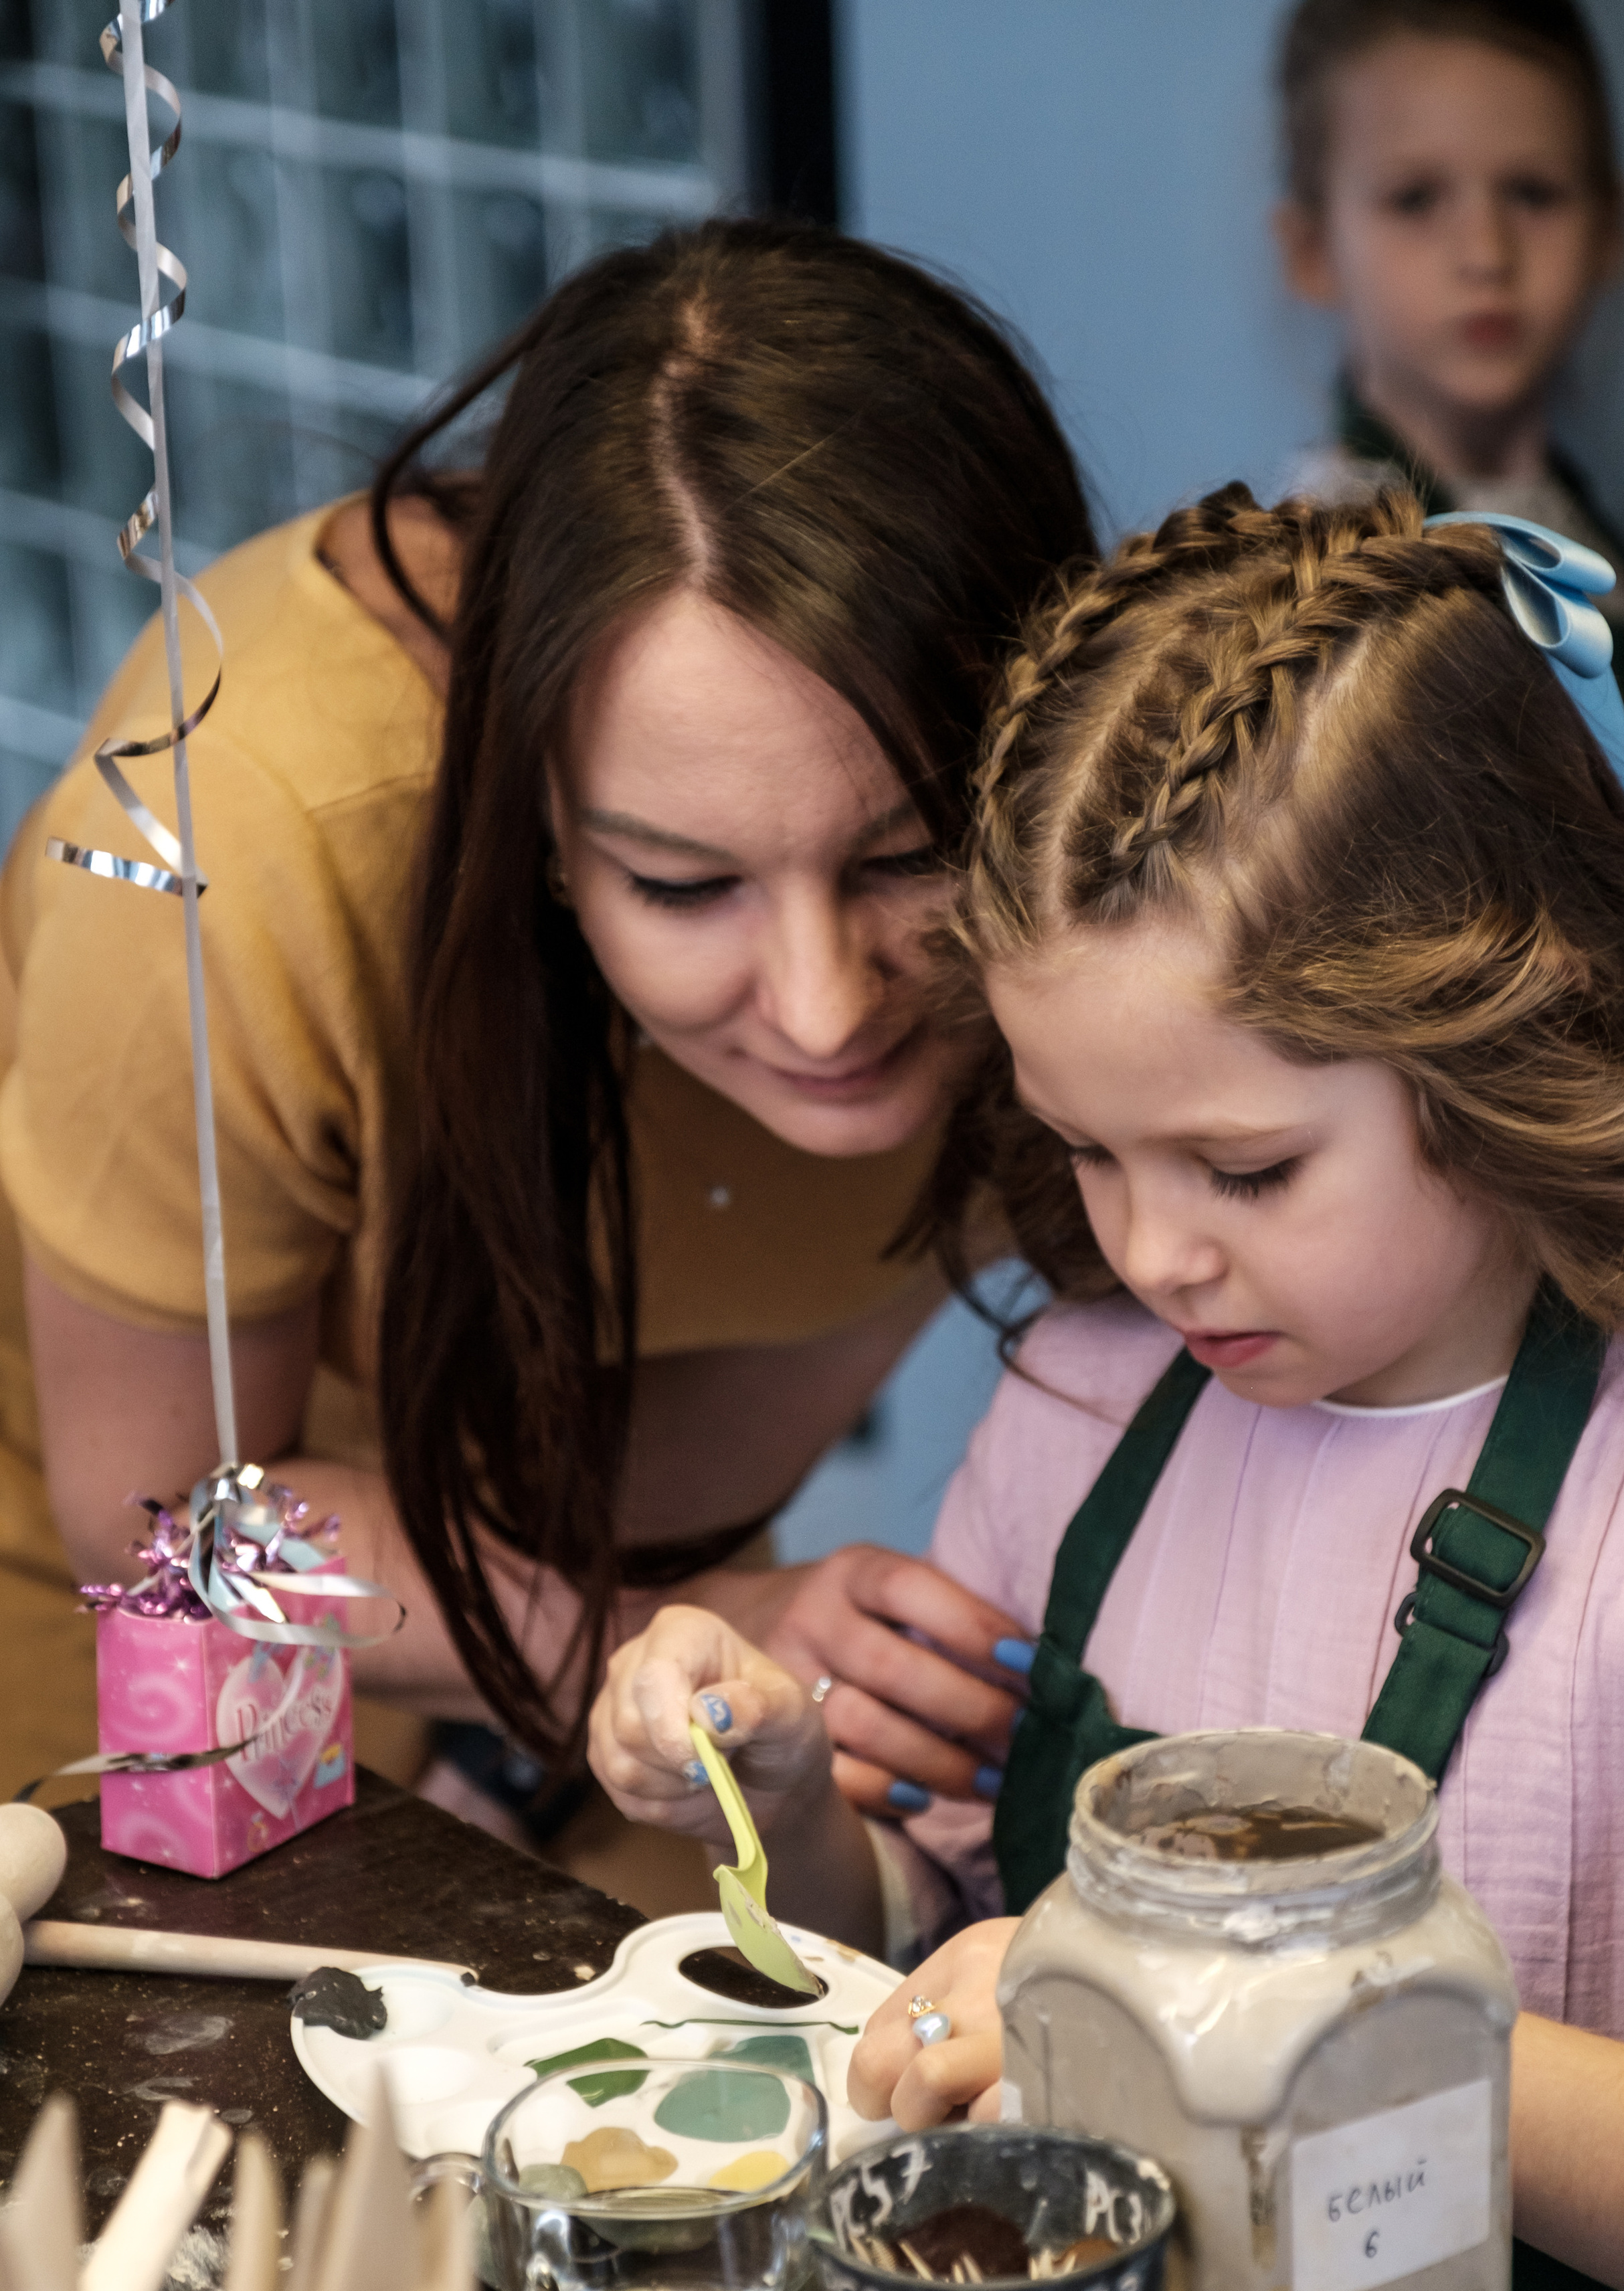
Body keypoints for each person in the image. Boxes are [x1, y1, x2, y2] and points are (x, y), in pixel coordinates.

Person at [590, 484, 1624, 2291]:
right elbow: (942, 1936)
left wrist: (1232, 2000)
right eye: (1087, 1148)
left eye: (1244, 1167)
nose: (1152, 1249)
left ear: (1514, 1030)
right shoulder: (1087, 1401)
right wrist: (788, 1802)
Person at [0, 219, 1093, 1906]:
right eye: (683, 886)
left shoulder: (1092, 844)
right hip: (117, 1653)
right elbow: (172, 1533)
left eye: (909, 854)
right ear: (536, 832)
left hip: (588, 1624)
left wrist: (607, 1682)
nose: (825, 1010)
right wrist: (655, 1630)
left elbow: (681, 1454)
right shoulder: (234, 851)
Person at [1271, 0, 1624, 852]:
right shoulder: (1340, 554)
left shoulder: (1582, 528)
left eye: (1533, 193)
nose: (1485, 252)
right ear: (1312, 249)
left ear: (1611, 228)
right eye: (1415, 199)